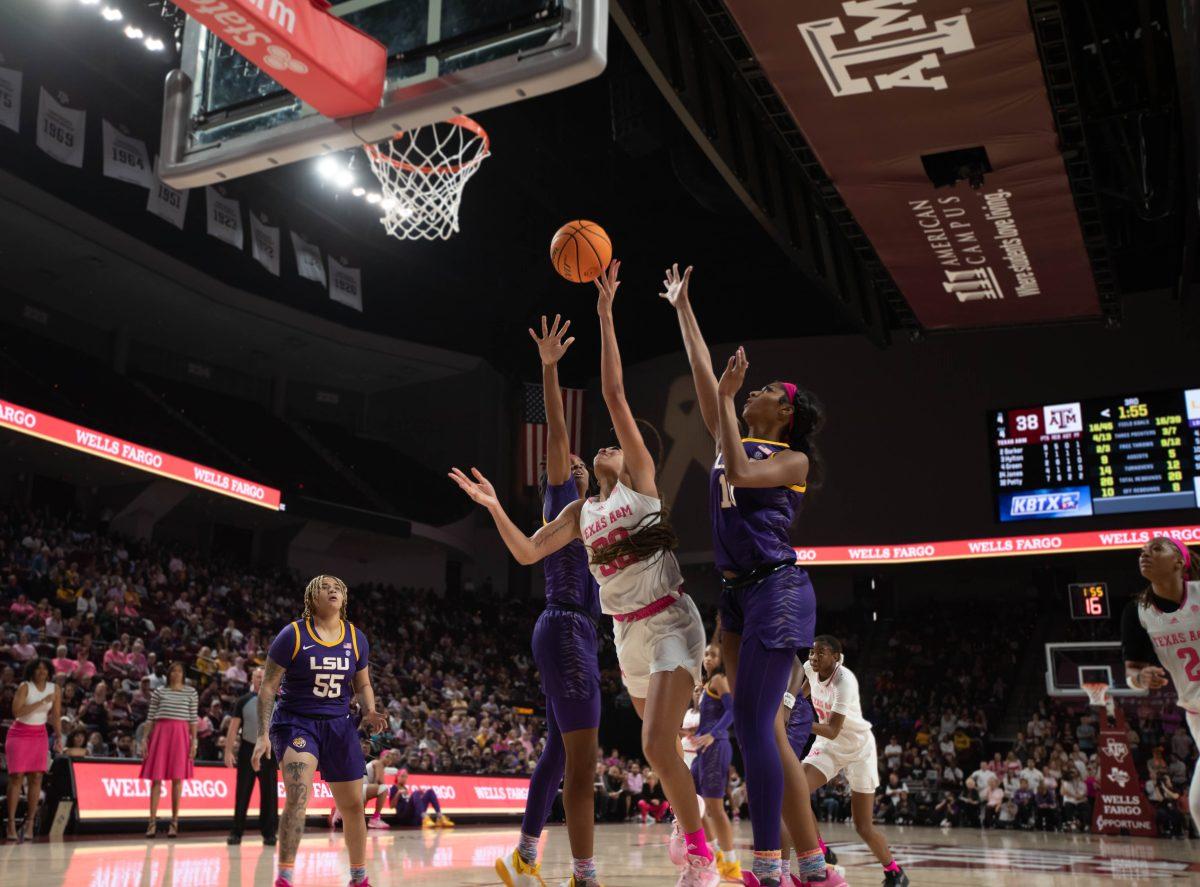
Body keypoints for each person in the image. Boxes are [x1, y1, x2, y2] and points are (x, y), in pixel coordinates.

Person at [450, 261, 714, 887]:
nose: (603, 447)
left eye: (614, 447)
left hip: (671, 619)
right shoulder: (578, 510)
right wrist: (491, 508)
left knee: (653, 746)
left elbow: (613, 395)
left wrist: (604, 313)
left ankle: (696, 853)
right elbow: (525, 554)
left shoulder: (642, 484)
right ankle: (684, 814)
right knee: (661, 747)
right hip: (623, 634)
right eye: (603, 447)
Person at [661, 264, 832, 887]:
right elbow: (708, 378)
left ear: (783, 414)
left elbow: (735, 469)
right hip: (735, 594)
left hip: (778, 590)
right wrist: (683, 307)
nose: (752, 388)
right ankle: (810, 861)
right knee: (757, 734)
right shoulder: (730, 425)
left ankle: (767, 863)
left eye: (768, 391)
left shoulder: (791, 458)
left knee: (759, 727)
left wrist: (729, 404)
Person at [495, 315, 604, 887]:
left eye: (584, 466)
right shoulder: (563, 496)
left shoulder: (597, 516)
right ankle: (580, 871)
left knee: (558, 756)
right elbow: (559, 437)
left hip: (574, 629)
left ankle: (525, 855)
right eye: (572, 466)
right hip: (565, 624)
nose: (578, 465)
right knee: (579, 758)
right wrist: (550, 368)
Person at [252, 575, 387, 887]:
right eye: (325, 587)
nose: (333, 590)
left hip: (339, 725)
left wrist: (369, 711)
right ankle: (284, 877)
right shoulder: (293, 634)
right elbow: (268, 687)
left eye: (338, 587)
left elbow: (363, 682)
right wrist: (262, 734)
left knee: (353, 804)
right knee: (299, 793)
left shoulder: (356, 638)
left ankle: (359, 877)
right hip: (297, 721)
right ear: (311, 598)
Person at [802, 637, 908, 886]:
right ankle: (822, 853)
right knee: (795, 791)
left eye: (821, 653)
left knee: (863, 826)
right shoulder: (809, 668)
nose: (814, 657)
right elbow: (802, 691)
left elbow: (832, 729)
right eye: (811, 653)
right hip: (828, 747)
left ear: (836, 657)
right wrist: (790, 703)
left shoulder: (844, 681)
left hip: (859, 749)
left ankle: (894, 872)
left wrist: (799, 722)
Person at [1122, 536, 1200, 834]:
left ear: (1179, 562)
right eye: (1142, 550)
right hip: (1195, 713)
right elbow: (1133, 675)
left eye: (1156, 548)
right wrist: (1140, 679)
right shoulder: (1138, 612)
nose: (1145, 553)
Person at [690, 643, 739, 882]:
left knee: (715, 809)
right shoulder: (706, 685)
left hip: (717, 746)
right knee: (694, 804)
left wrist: (712, 734)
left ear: (721, 660)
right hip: (703, 750)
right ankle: (713, 853)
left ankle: (731, 864)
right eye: (706, 654)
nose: (707, 657)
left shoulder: (720, 679)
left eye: (713, 654)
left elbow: (733, 711)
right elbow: (706, 720)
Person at [139, 661, 198, 838]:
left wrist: (194, 742)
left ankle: (174, 823)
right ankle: (151, 823)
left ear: (183, 674)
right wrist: (144, 739)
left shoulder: (191, 692)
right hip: (160, 734)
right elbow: (150, 718)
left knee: (177, 779)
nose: (176, 674)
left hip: (181, 735)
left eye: (180, 671)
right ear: (169, 674)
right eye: (173, 671)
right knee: (156, 779)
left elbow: (193, 720)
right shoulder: (159, 692)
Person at [5, 659, 61, 841]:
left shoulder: (55, 689)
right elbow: (17, 712)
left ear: (49, 672)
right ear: (32, 671)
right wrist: (42, 701)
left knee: (37, 777)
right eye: (38, 669)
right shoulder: (25, 686)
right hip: (19, 734)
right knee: (17, 777)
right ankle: (11, 823)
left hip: (40, 735)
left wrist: (59, 737)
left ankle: (30, 823)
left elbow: (56, 715)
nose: (41, 672)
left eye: (45, 669)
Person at [225, 667, 277, 846]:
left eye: (263, 676)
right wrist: (228, 751)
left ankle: (269, 833)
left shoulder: (276, 701)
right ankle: (236, 832)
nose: (260, 679)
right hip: (248, 748)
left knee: (269, 794)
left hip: (269, 752)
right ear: (252, 679)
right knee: (242, 793)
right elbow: (233, 728)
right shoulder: (242, 701)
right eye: (257, 677)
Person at [388, 762, 451, 828]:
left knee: (430, 791)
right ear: (397, 777)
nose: (404, 778)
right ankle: (424, 817)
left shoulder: (405, 788)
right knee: (415, 793)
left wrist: (420, 796)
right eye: (402, 776)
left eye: (406, 777)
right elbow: (392, 806)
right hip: (404, 816)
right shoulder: (394, 788)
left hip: (413, 815)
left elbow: (409, 801)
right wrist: (398, 793)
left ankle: (439, 816)